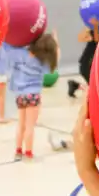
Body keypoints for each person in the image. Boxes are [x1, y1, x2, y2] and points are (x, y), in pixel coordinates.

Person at [8, 31, 60, 160]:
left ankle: (18, 151)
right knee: (30, 126)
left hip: (20, 95)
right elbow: (55, 60)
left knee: (21, 124)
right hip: (33, 95)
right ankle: (29, 152)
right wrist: (56, 42)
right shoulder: (42, 62)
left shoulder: (21, 54)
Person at [68, 17, 99, 98]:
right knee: (95, 88)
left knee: (95, 87)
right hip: (87, 64)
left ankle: (75, 85)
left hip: (88, 64)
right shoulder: (94, 30)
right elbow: (95, 40)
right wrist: (92, 26)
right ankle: (75, 85)